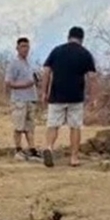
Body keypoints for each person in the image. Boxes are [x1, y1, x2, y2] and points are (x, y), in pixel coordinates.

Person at [39, 26, 97, 167]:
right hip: (75, 97)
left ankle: (49, 147)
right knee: (75, 127)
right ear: (82, 39)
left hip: (56, 95)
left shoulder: (57, 51)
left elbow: (46, 71)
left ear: (68, 36)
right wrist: (93, 97)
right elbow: (92, 77)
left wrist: (44, 91)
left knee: (53, 125)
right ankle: (74, 157)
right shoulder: (85, 54)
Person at [4, 36, 41, 161]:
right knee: (18, 127)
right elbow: (8, 82)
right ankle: (18, 150)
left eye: (27, 46)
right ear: (17, 48)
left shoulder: (29, 63)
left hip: (31, 99)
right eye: (23, 46)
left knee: (30, 127)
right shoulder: (13, 64)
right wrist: (24, 85)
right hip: (19, 100)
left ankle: (32, 150)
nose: (25, 49)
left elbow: (33, 81)